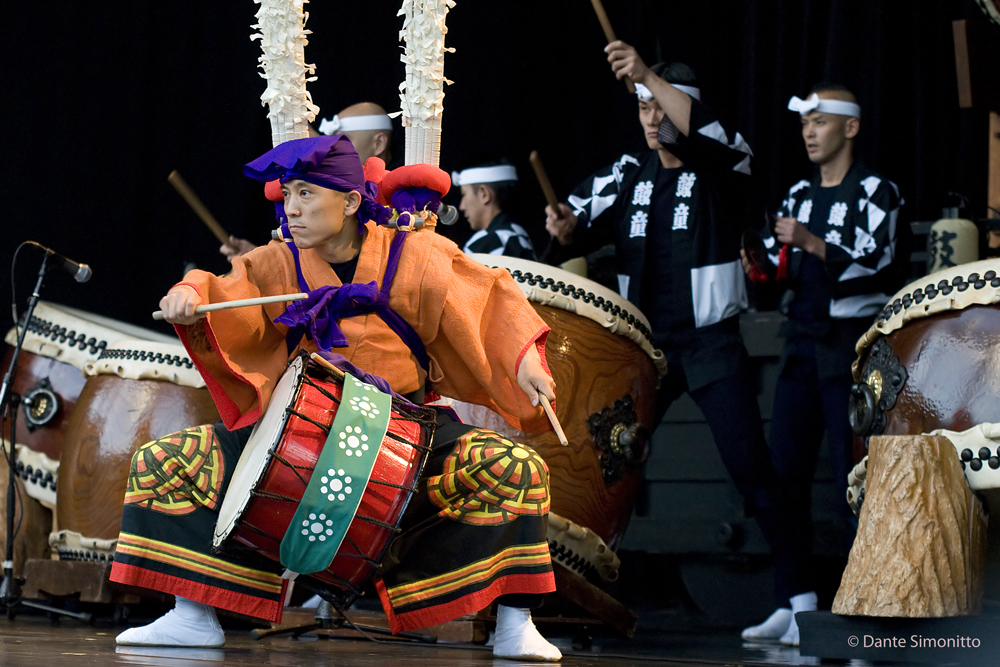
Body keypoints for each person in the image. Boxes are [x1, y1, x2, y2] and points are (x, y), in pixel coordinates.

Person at [113, 135, 563, 661]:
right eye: (288, 197)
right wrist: (192, 296)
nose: (293, 208)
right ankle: (193, 615)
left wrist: (524, 360)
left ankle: (516, 622)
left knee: (515, 467)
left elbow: (485, 297)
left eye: (307, 194)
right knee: (167, 461)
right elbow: (227, 290)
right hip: (306, 430)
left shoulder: (416, 251)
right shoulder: (280, 260)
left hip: (408, 431)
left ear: (350, 202)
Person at [545, 40, 800, 645]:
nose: (653, 120)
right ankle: (580, 592)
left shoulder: (721, 170)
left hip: (709, 342)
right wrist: (563, 225)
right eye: (642, 108)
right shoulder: (629, 175)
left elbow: (724, 141)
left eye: (662, 107)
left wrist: (648, 75)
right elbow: (573, 217)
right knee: (606, 466)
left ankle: (799, 598)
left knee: (750, 467)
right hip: (642, 350)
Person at [740, 84, 904, 645]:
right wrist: (761, 263)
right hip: (801, 342)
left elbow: (879, 261)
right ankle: (794, 599)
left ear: (850, 127)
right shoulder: (799, 194)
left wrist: (811, 243)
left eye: (821, 120)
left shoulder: (876, 191)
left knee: (850, 477)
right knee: (783, 475)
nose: (809, 131)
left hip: (851, 348)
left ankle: (864, 609)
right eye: (804, 123)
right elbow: (779, 269)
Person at [221, 102, 395, 261]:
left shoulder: (402, 193)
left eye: (342, 139)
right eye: (287, 194)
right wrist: (258, 262)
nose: (290, 210)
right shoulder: (317, 189)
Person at [453, 161, 536, 259]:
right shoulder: (521, 235)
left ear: (484, 194)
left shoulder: (486, 241)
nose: (461, 206)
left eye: (464, 194)